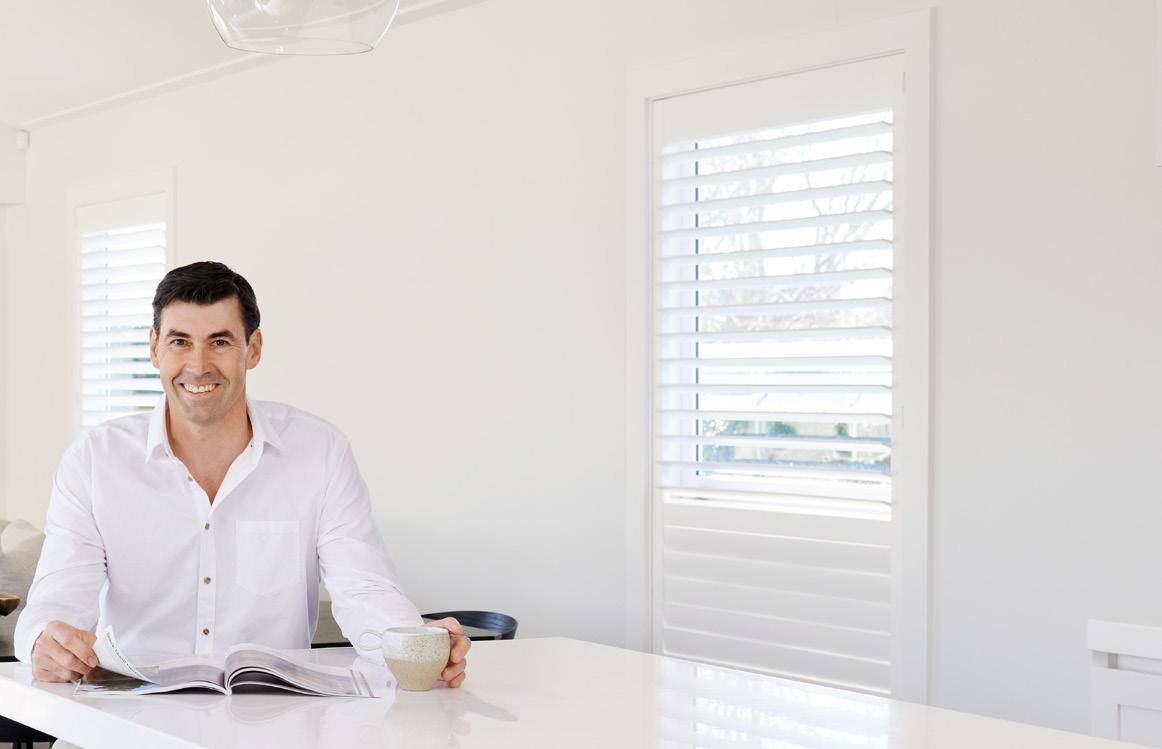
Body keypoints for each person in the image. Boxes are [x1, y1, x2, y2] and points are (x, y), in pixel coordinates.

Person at [14, 261, 469, 687]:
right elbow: (57, 600)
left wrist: (414, 645)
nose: (198, 365)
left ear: (253, 349)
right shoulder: (94, 461)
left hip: (272, 715)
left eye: (220, 342)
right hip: (129, 711)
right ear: (154, 348)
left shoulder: (321, 452)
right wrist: (42, 645)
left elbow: (363, 587)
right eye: (180, 342)